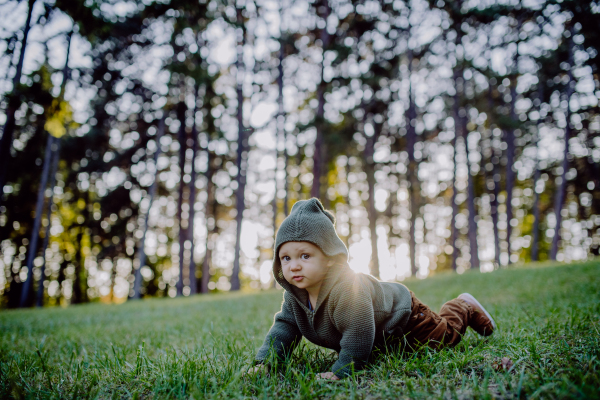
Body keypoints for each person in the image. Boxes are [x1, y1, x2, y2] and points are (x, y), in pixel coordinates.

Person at [249, 198, 496, 380]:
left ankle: (462, 306)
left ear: (330, 258)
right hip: (383, 338)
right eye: (286, 258)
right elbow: (284, 328)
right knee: (391, 351)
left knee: (445, 339)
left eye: (305, 255)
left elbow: (358, 330)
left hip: (408, 319)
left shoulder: (346, 289)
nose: (294, 266)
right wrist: (266, 362)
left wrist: (343, 371)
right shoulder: (294, 297)